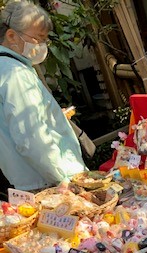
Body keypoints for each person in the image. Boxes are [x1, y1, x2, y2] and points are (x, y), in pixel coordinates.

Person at [0, 0, 87, 193]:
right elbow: (31, 137)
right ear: (12, 36)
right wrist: (62, 178)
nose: (42, 46)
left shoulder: (6, 67)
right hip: (48, 182)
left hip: (29, 179)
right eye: (38, 38)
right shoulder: (16, 74)